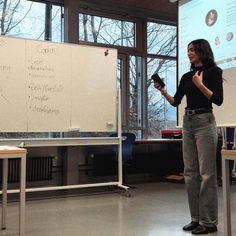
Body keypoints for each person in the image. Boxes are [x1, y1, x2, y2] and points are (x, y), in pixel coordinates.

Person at [154, 39, 223, 235]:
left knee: (207, 174)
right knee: (191, 173)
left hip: (205, 121)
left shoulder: (213, 72)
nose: (189, 53)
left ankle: (209, 222)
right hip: (188, 122)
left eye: (192, 50)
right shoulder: (186, 76)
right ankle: (195, 218)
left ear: (202, 51)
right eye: (188, 50)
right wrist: (163, 91)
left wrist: (201, 85)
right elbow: (176, 102)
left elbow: (218, 100)